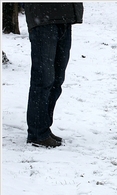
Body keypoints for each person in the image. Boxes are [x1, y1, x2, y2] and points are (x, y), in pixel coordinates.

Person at [24, 3, 84, 147]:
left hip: (64, 17)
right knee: (44, 79)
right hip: (43, 17)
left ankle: (43, 128)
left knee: (57, 79)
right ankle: (37, 133)